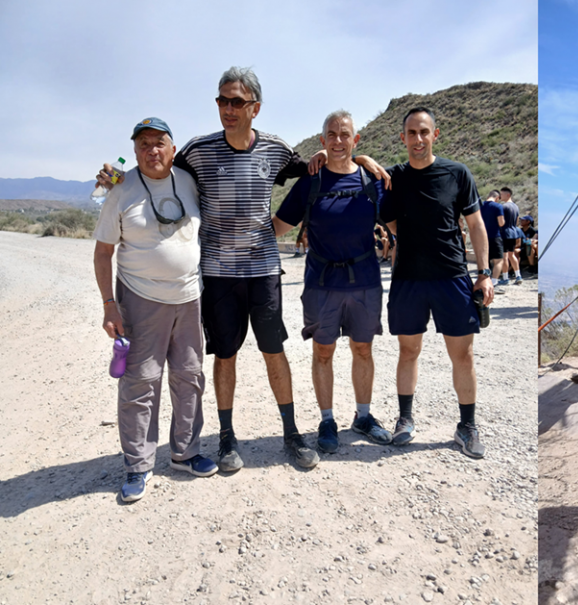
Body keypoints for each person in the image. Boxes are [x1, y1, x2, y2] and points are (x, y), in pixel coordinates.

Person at [98, 66, 388, 472]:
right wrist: (114, 176)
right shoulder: (198, 150)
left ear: (255, 107)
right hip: (217, 274)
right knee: (226, 356)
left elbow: (326, 163)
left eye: (236, 101)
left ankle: (291, 433)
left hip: (264, 270)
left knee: (275, 352)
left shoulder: (275, 149)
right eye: (221, 100)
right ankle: (228, 439)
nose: (227, 108)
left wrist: (360, 156)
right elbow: (156, 165)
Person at [93, 117, 216, 502]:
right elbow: (102, 252)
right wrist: (109, 305)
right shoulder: (120, 187)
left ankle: (185, 452)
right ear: (134, 151)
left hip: (189, 297)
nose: (152, 150)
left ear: (172, 148)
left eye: (159, 142)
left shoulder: (189, 181)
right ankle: (138, 464)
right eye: (143, 144)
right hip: (140, 298)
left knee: (189, 375)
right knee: (141, 383)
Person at [272, 109, 394, 454]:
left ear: (355, 140)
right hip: (322, 283)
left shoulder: (371, 181)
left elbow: (400, 222)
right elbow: (278, 226)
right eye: (331, 135)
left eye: (345, 135)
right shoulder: (310, 182)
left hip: (366, 281)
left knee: (363, 349)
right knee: (323, 352)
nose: (338, 141)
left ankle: (364, 417)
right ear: (322, 140)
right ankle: (327, 420)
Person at [380, 107, 494, 459]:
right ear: (403, 137)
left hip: (452, 278)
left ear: (435, 134)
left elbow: (476, 225)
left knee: (462, 355)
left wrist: (485, 273)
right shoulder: (394, 178)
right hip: (409, 280)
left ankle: (467, 426)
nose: (418, 139)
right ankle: (404, 419)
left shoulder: (457, 174)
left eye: (424, 132)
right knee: (408, 352)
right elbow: (389, 219)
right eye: (411, 133)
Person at [479, 189, 507, 285]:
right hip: (494, 236)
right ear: (497, 198)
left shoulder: (480, 205)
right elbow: (501, 223)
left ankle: (484, 281)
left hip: (481, 236)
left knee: (485, 261)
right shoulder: (498, 206)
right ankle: (494, 282)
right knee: (498, 261)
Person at [499, 187, 525, 285]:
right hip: (513, 232)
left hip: (505, 233)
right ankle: (518, 275)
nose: (500, 196)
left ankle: (505, 278)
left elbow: (500, 221)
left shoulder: (503, 206)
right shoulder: (516, 207)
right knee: (512, 255)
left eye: (501, 194)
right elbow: (517, 221)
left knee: (504, 257)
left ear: (508, 195)